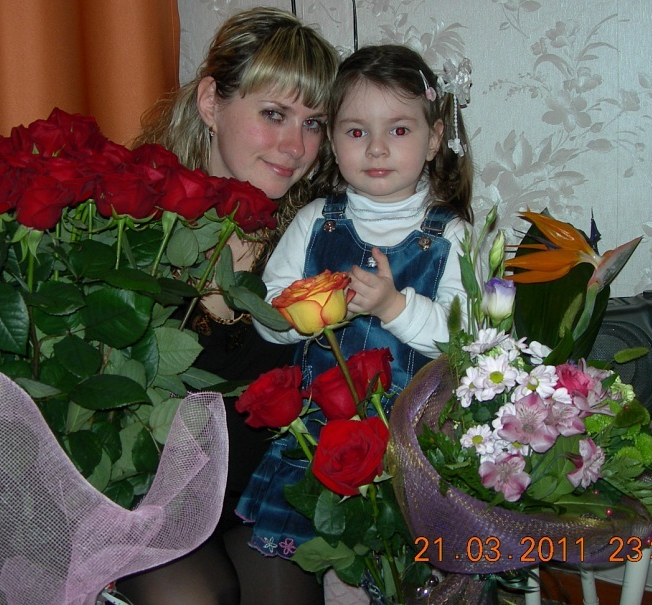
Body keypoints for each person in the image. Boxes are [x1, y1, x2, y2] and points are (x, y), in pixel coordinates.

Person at [116, 7, 338, 605]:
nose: (296, 146)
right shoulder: (130, 227)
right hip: (143, 503)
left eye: (314, 123)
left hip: (254, 498)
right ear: (211, 102)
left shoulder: (314, 241)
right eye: (274, 114)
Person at [237, 44, 475, 602]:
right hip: (321, 440)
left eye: (399, 130)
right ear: (332, 140)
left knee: (406, 572)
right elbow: (268, 310)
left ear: (434, 139)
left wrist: (395, 308)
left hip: (413, 446)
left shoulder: (452, 235)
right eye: (355, 131)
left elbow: (465, 340)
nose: (376, 148)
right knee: (332, 565)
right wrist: (302, 316)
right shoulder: (314, 221)